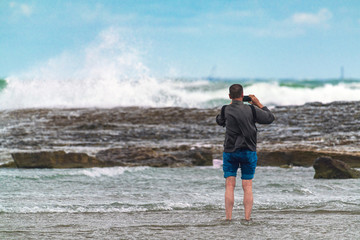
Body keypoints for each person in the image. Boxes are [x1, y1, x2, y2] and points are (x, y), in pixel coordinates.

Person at [216, 84, 275, 221]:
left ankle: (228, 218)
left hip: (230, 151)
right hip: (248, 150)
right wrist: (258, 103)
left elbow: (219, 121)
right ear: (243, 95)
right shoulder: (251, 109)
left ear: (230, 96)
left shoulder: (226, 109)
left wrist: (230, 105)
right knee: (247, 186)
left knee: (230, 185)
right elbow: (270, 118)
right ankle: (247, 218)